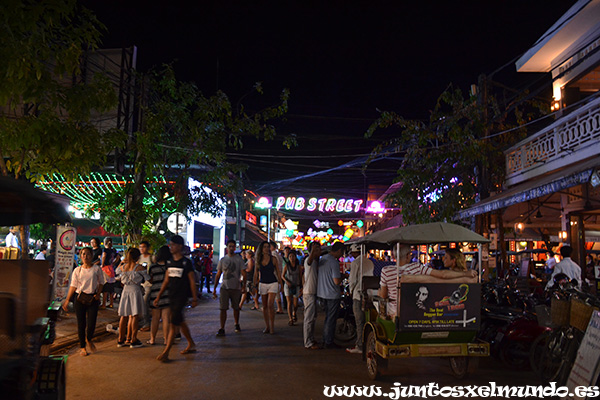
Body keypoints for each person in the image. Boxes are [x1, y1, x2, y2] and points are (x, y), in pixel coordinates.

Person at [379, 245, 477, 317]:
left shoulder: (386, 271)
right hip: (420, 311)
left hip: (397, 312)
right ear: (409, 255)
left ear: (394, 255)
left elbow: (383, 295)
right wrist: (466, 274)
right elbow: (442, 275)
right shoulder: (417, 267)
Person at [155, 235, 197, 362]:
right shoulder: (169, 262)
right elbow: (166, 280)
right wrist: (159, 295)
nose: (171, 247)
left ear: (179, 246)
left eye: (173, 245)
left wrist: (194, 298)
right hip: (171, 295)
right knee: (180, 321)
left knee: (173, 323)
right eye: (170, 244)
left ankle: (166, 352)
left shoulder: (186, 263)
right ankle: (191, 344)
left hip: (181, 296)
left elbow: (191, 281)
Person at [62, 247, 105, 356]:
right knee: (81, 324)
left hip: (92, 298)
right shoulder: (77, 270)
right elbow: (73, 285)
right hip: (79, 299)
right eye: (83, 254)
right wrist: (67, 300)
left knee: (92, 323)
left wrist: (98, 294)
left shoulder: (96, 269)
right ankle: (82, 347)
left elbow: (101, 282)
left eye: (88, 254)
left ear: (92, 256)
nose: (86, 257)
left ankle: (89, 338)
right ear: (81, 256)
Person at [115, 248, 148, 348]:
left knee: (124, 316)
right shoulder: (140, 268)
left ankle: (121, 339)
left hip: (125, 291)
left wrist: (121, 262)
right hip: (135, 291)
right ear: (138, 257)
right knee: (134, 315)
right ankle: (133, 339)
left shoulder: (123, 267)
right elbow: (148, 278)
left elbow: (116, 271)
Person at [213, 240, 246, 336]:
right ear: (227, 247)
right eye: (230, 246)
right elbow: (218, 274)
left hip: (235, 287)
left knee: (236, 307)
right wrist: (215, 288)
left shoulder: (239, 260)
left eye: (233, 246)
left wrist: (243, 285)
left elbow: (244, 273)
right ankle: (222, 327)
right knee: (223, 308)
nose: (231, 248)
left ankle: (236, 323)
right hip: (225, 287)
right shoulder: (223, 260)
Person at [346, 243, 374, 354]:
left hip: (358, 295)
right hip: (370, 294)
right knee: (367, 320)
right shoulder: (370, 262)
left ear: (355, 252)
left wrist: (351, 291)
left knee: (359, 321)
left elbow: (352, 280)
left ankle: (359, 345)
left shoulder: (355, 263)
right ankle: (366, 343)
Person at [317, 241, 344, 349]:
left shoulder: (322, 259)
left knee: (328, 318)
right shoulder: (334, 262)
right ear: (339, 251)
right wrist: (343, 276)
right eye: (342, 253)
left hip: (322, 293)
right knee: (331, 319)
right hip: (332, 294)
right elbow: (336, 281)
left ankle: (325, 339)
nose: (342, 256)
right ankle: (328, 342)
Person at [255, 241, 282, 334]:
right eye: (265, 247)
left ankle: (272, 326)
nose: (267, 248)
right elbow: (256, 272)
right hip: (263, 283)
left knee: (270, 305)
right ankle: (267, 326)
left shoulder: (273, 259)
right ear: (261, 249)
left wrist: (281, 284)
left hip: (273, 282)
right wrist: (254, 283)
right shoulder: (258, 259)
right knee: (265, 306)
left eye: (268, 247)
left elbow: (278, 272)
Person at [148, 245, 171, 345]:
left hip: (155, 293)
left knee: (155, 318)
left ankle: (152, 339)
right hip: (167, 293)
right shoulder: (170, 266)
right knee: (166, 318)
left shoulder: (153, 267)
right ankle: (166, 339)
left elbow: (150, 280)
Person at [303, 242, 321, 349]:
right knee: (309, 318)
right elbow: (309, 261)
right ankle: (308, 342)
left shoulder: (315, 262)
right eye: (317, 249)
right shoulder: (308, 261)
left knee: (312, 318)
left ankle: (311, 339)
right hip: (309, 293)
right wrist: (313, 251)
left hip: (311, 292)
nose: (319, 252)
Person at [282, 249, 301, 326]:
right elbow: (282, 276)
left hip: (296, 285)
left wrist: (301, 284)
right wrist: (287, 282)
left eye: (293, 256)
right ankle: (290, 318)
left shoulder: (298, 267)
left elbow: (300, 276)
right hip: (288, 285)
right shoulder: (286, 266)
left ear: (295, 257)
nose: (291, 258)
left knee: (295, 304)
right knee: (289, 302)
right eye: (290, 256)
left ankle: (294, 313)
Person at [138, 241, 152, 332]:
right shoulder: (138, 258)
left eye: (144, 247)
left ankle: (147, 323)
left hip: (149, 283)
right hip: (140, 283)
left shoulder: (152, 258)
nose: (142, 249)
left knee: (145, 301)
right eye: (140, 247)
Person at [100, 237, 117, 309]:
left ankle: (103, 304)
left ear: (104, 243)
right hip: (111, 269)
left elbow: (104, 256)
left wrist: (102, 264)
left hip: (105, 269)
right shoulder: (113, 251)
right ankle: (111, 303)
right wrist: (113, 264)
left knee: (105, 288)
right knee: (111, 288)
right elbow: (118, 257)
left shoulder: (105, 250)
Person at [270, 241, 285, 314]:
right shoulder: (278, 255)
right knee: (277, 292)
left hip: (274, 275)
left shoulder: (273, 255)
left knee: (275, 293)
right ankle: (279, 308)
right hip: (278, 275)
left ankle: (279, 308)